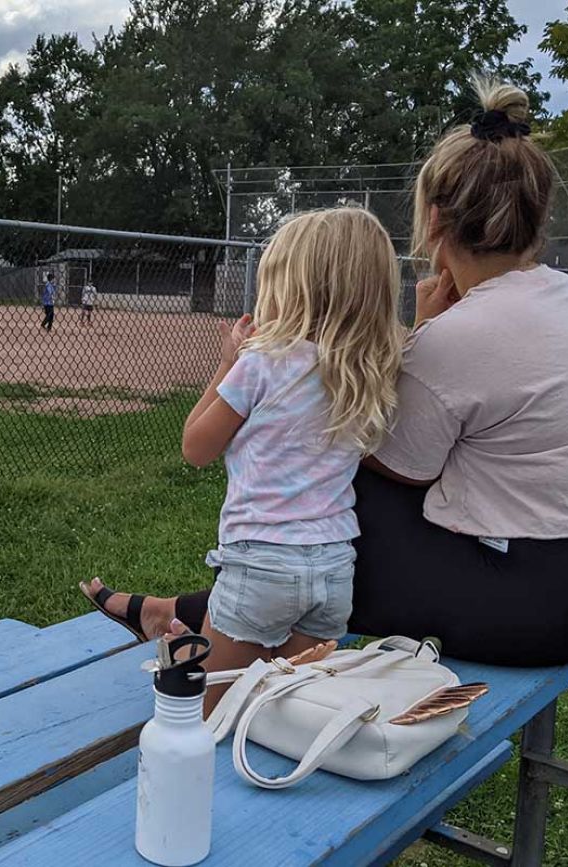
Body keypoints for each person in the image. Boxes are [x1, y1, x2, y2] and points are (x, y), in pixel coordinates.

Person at [83, 77, 568, 668]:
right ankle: (185, 609)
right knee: (322, 511)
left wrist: (416, 342)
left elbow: (384, 459)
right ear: (538, 217)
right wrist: (421, 336)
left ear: (433, 220)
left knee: (330, 481)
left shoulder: (462, 335)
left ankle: (207, 620)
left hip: (536, 609)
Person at [86, 208, 402, 712]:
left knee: (209, 715)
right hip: (335, 568)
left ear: (290, 287)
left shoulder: (263, 362)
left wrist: (228, 360)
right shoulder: (371, 374)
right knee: (287, 708)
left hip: (262, 565)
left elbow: (196, 446)